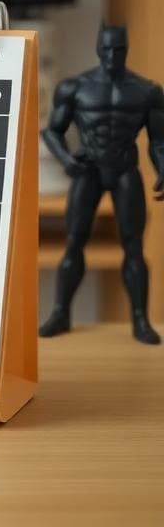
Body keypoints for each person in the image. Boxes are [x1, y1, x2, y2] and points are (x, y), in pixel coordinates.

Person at [40, 25, 164, 344]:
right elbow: (52, 131)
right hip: (89, 169)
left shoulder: (146, 91)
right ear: (98, 48)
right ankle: (60, 311)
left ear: (126, 49)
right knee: (75, 239)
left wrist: (162, 168)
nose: (112, 56)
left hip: (125, 169)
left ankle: (140, 318)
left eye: (118, 50)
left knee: (133, 244)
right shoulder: (75, 88)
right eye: (107, 49)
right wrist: (66, 160)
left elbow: (158, 140)